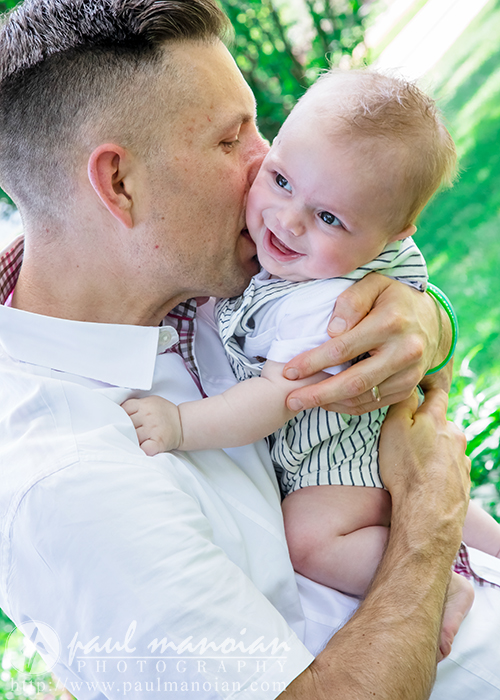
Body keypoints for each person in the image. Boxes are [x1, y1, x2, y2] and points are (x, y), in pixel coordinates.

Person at [0, 1, 498, 699]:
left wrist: (422, 320)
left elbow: (371, 267)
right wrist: (430, 516)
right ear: (119, 184)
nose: (268, 159)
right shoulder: (72, 487)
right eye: (233, 139)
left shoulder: (192, 264)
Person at [121, 69, 500, 621]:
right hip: (388, 429)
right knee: (457, 508)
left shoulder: (319, 304)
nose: (288, 221)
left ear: (397, 230)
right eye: (280, 180)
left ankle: (445, 587)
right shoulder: (353, 249)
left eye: (328, 217)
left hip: (340, 458)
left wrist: (181, 425)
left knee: (311, 540)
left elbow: (277, 399)